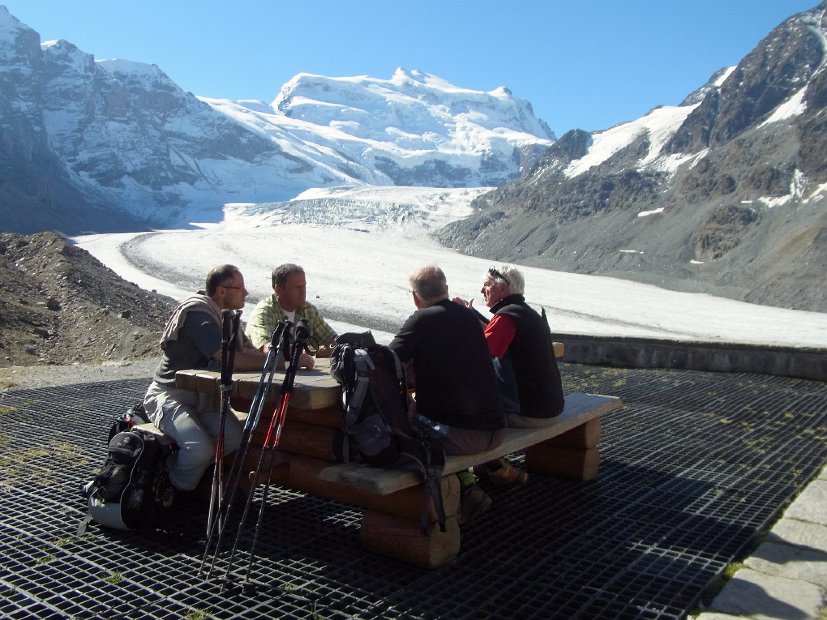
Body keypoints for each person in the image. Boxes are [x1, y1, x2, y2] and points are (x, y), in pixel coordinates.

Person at [388, 265, 506, 526]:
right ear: (446, 290)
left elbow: (385, 362)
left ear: (416, 297)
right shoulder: (468, 317)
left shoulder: (422, 320)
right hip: (496, 428)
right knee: (437, 417)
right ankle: (471, 486)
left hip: (463, 436)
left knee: (403, 427)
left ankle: (443, 503)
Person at [143, 265, 268, 491]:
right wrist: (275, 363)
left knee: (233, 439)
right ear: (221, 291)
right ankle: (170, 489)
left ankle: (175, 469)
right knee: (199, 449)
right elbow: (228, 358)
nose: (246, 293)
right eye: (240, 288)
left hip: (205, 398)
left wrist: (275, 353)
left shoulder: (226, 318)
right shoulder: (199, 314)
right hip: (171, 395)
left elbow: (248, 351)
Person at [454, 264, 565, 485]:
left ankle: (488, 470)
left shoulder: (507, 318)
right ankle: (493, 466)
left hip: (529, 412)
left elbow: (479, 356)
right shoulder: (526, 313)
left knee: (461, 418)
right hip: (551, 407)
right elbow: (494, 336)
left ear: (502, 288)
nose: (482, 290)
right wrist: (471, 315)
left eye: (487, 285)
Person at [246, 263, 337, 369]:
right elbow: (268, 349)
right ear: (278, 289)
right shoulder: (264, 311)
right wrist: (306, 352)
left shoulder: (308, 310)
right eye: (297, 287)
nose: (303, 292)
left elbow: (332, 340)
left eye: (304, 286)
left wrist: (334, 347)